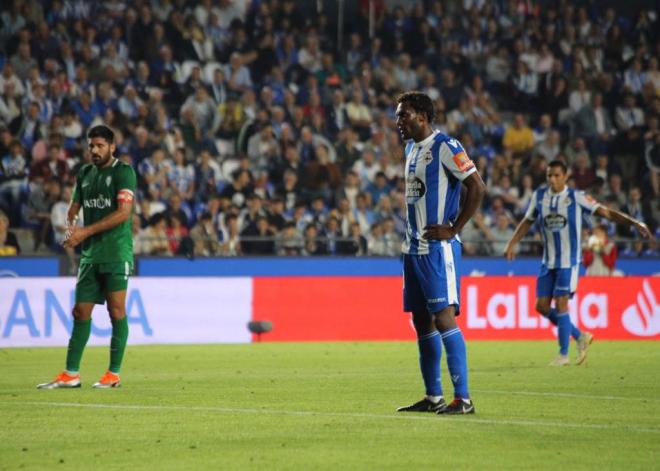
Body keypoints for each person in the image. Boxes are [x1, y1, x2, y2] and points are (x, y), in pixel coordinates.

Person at [504, 160, 651, 366]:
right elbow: (528, 220)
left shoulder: (576, 197)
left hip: (568, 261)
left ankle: (563, 355)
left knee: (561, 303)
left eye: (556, 175)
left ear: (565, 176)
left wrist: (634, 222)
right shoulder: (539, 196)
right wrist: (512, 242)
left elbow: (606, 212)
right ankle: (580, 336)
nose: (552, 179)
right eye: (549, 176)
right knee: (541, 306)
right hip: (548, 261)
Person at [395, 92, 485, 415]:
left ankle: (464, 399)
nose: (399, 122)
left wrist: (454, 228)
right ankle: (433, 396)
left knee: (444, 316)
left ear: (422, 116)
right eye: (398, 116)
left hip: (437, 249)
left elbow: (477, 186)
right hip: (412, 249)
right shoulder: (409, 149)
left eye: (403, 115)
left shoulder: (447, 146)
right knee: (421, 321)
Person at [38, 125, 137, 389]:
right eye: (91, 146)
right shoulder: (84, 173)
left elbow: (123, 213)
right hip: (90, 255)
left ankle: (113, 374)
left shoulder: (123, 172)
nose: (94, 150)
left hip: (116, 252)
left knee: (116, 310)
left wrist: (85, 231)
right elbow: (73, 207)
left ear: (112, 147)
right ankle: (71, 373)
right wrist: (71, 226)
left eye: (100, 146)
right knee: (80, 311)